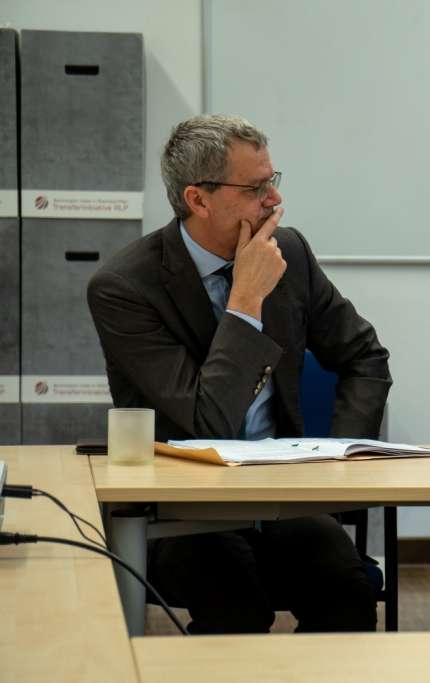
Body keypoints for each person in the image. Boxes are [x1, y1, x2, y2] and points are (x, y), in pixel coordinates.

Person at [87, 114, 392, 634]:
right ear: (198, 200)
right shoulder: (125, 287)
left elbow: (365, 358)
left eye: (273, 181)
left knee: (347, 591)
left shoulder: (289, 253)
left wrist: (338, 457)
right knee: (237, 608)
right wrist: (246, 299)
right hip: (180, 505)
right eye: (254, 189)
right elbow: (208, 422)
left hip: (282, 494)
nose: (274, 201)